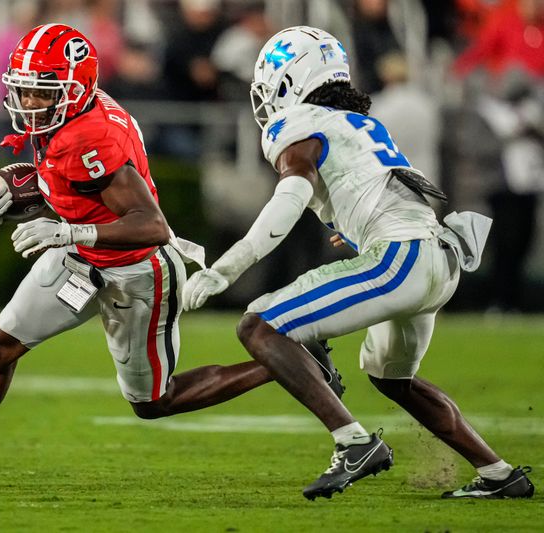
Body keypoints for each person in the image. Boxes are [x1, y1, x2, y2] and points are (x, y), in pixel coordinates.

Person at [0, 23, 341, 489]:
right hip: (79, 254)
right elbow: (76, 187)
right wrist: (23, 194)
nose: (28, 103)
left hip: (138, 270)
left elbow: (152, 225)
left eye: (40, 93)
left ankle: (284, 359)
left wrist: (64, 229)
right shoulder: (69, 116)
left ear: (74, 90)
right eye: (25, 91)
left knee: (154, 401)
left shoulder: (91, 135)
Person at [183, 26, 535, 500]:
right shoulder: (357, 123)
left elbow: (286, 204)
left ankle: (354, 443)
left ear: (289, 81)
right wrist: (351, 226)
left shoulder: (301, 125)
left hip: (400, 259)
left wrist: (224, 269)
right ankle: (499, 473)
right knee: (394, 379)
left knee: (259, 326)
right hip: (438, 257)